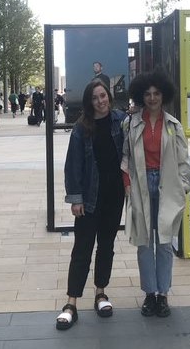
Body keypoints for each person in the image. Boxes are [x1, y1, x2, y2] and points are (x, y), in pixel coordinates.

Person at [55, 80, 126, 331]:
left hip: (114, 197)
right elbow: (72, 166)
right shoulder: (81, 128)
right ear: (89, 101)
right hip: (89, 199)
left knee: (106, 247)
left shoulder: (121, 121)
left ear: (109, 96)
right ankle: (71, 303)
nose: (100, 101)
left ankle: (100, 294)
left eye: (103, 96)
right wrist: (75, 199)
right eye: (95, 98)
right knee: (82, 249)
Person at [121, 70, 190, 319]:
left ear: (164, 95)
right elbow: (125, 157)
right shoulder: (131, 123)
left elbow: (183, 160)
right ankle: (149, 294)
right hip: (140, 186)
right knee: (143, 243)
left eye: (157, 93)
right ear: (142, 96)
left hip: (167, 186)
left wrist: (183, 186)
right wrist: (127, 184)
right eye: (148, 94)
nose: (152, 98)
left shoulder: (173, 125)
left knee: (164, 244)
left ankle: (163, 295)